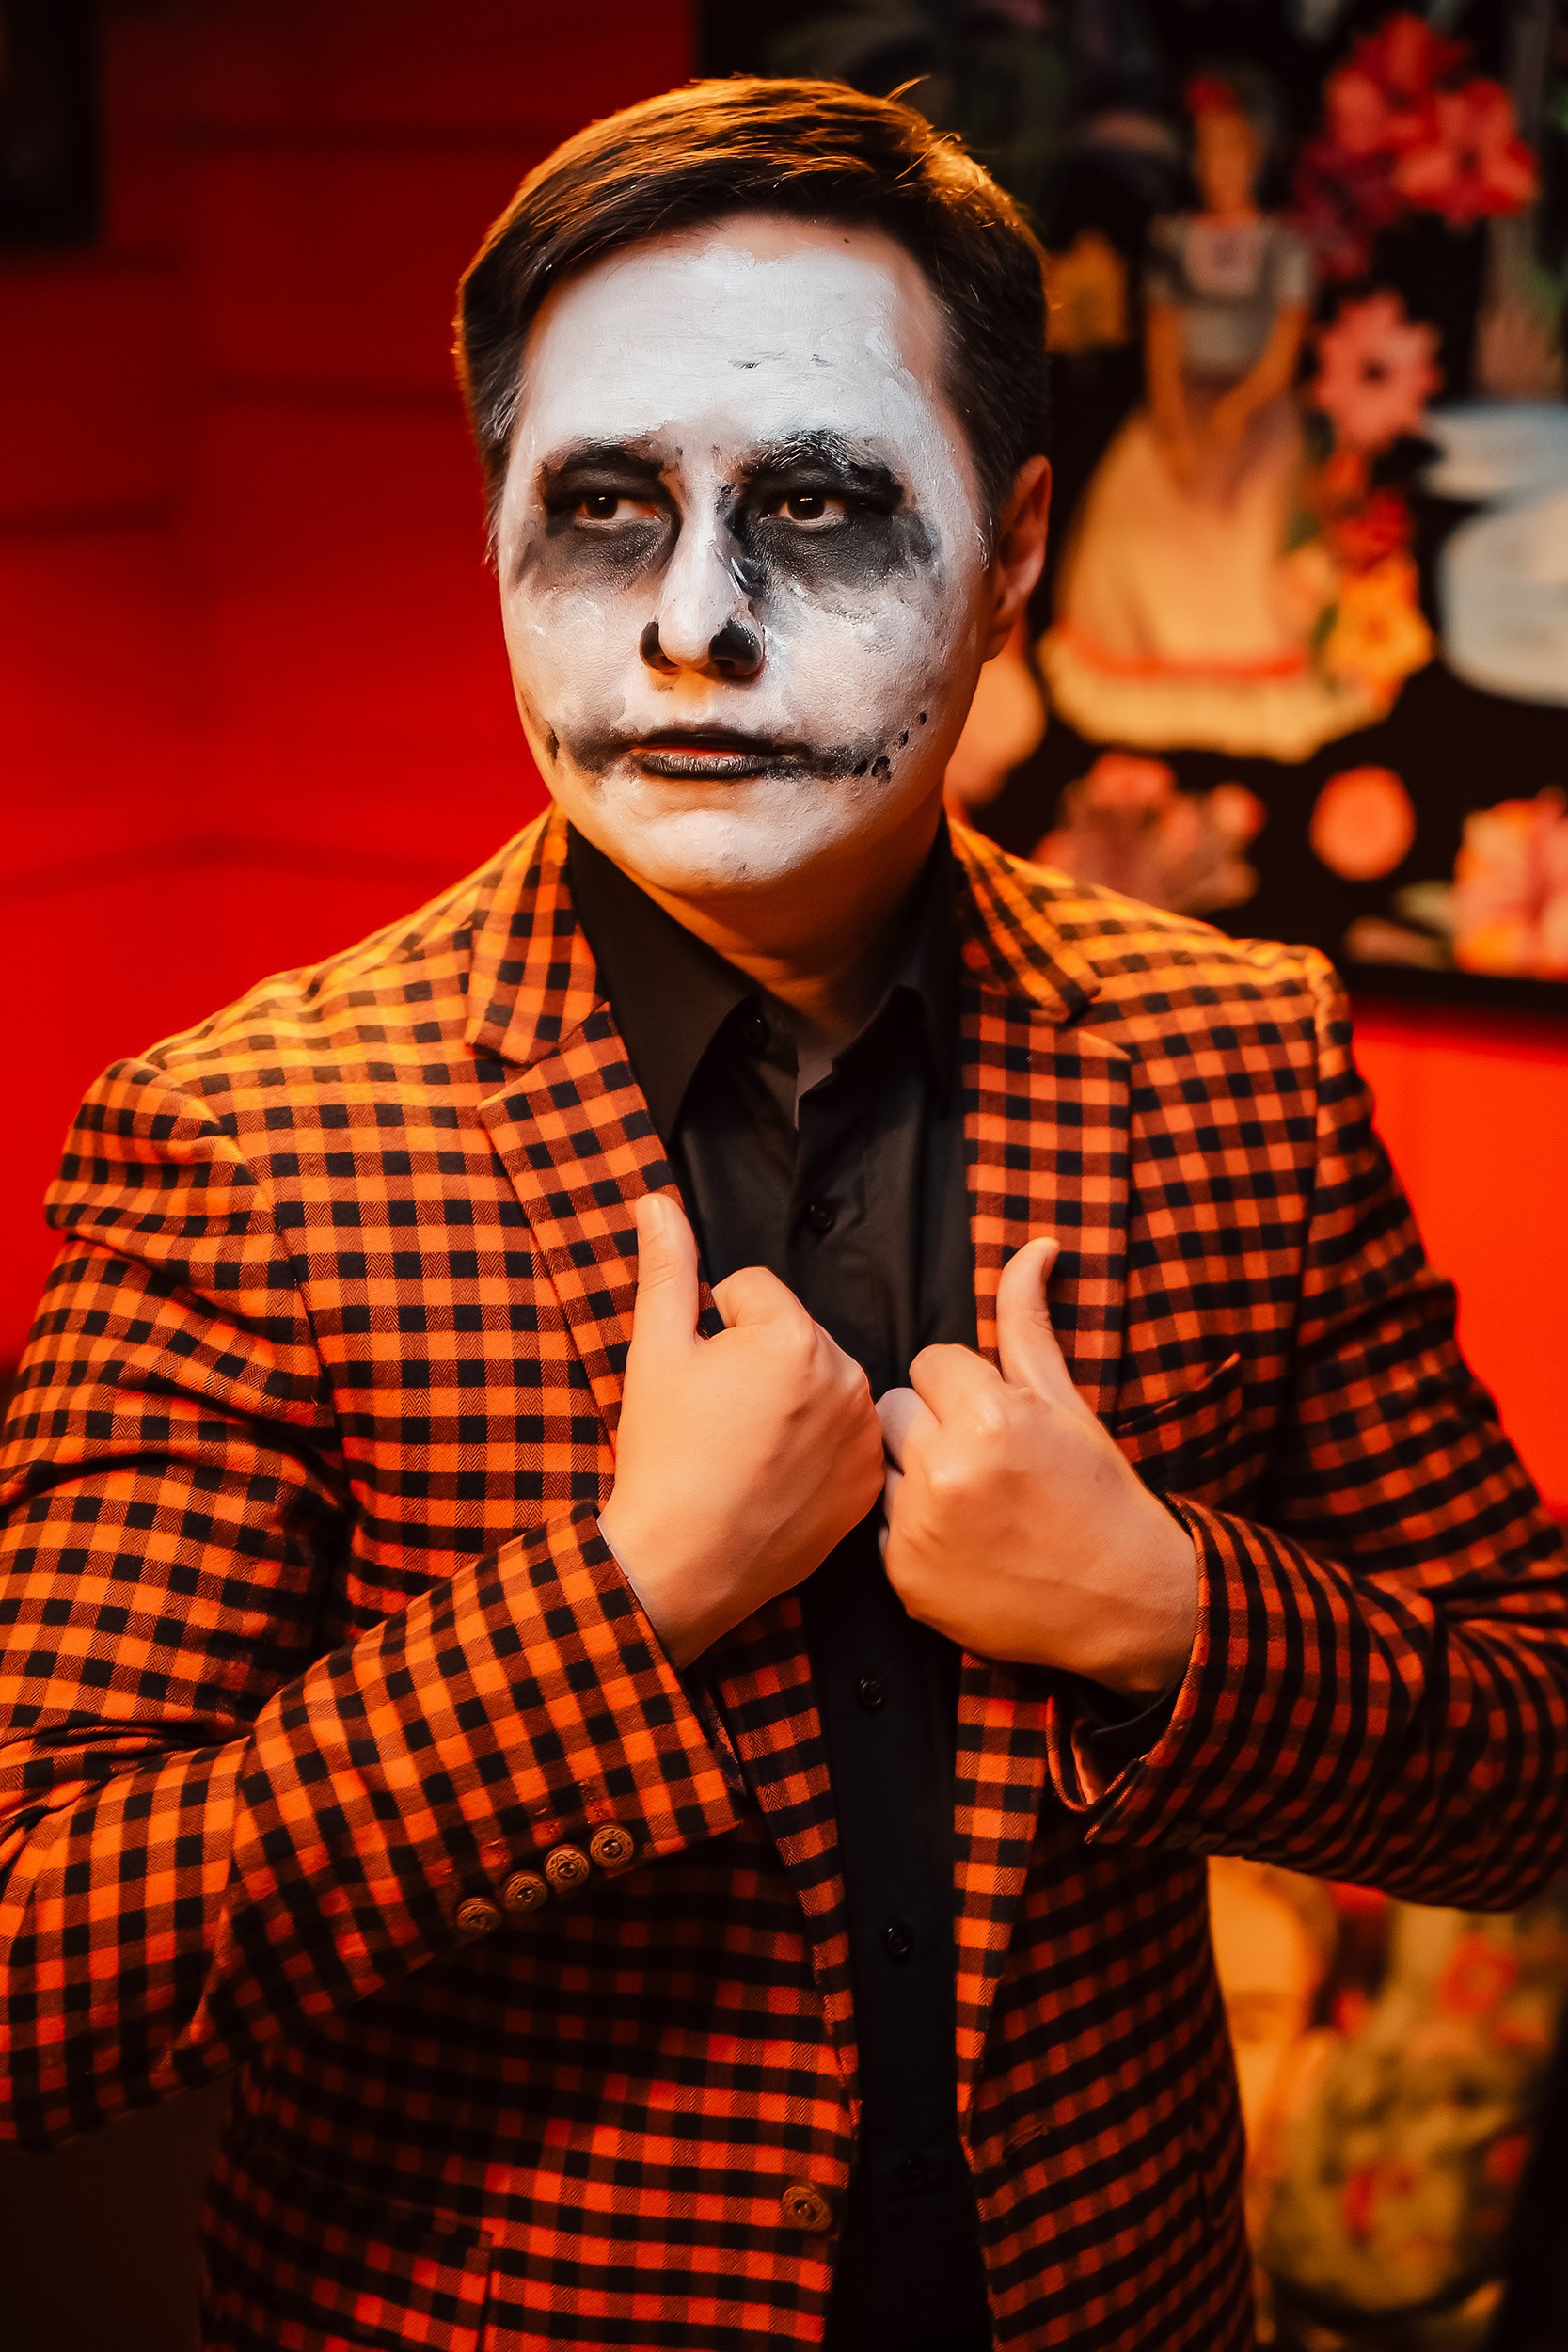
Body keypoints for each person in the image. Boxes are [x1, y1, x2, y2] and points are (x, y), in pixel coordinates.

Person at [1, 77, 1564, 2352]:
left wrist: (1163, 1609)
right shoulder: (250, 1140)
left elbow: (1532, 1751)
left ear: (1015, 549)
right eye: (602, 509)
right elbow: (31, 1956)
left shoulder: (1237, 1056)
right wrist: (620, 1602)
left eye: (817, 504)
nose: (689, 626)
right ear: (493, 537)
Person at [1041, 73, 1384, 760]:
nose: (1217, 166)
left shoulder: (1282, 243)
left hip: (1257, 413)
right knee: (1146, 534)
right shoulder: (1176, 239)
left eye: (1232, 149)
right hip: (1181, 406)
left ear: (1260, 153)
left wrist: (1247, 403)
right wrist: (1171, 415)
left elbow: (1285, 339)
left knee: (1253, 537)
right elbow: (1163, 332)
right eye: (1206, 150)